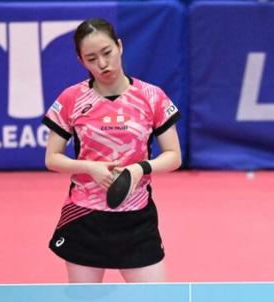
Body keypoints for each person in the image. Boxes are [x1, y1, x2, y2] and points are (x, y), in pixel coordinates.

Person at [42, 18, 181, 283]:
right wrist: (89, 167)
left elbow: (174, 156)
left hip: (137, 220)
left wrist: (140, 168)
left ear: (119, 46)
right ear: (82, 61)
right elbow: (52, 158)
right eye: (92, 58)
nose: (103, 64)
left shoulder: (152, 97)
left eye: (107, 53)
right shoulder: (71, 99)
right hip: (85, 218)